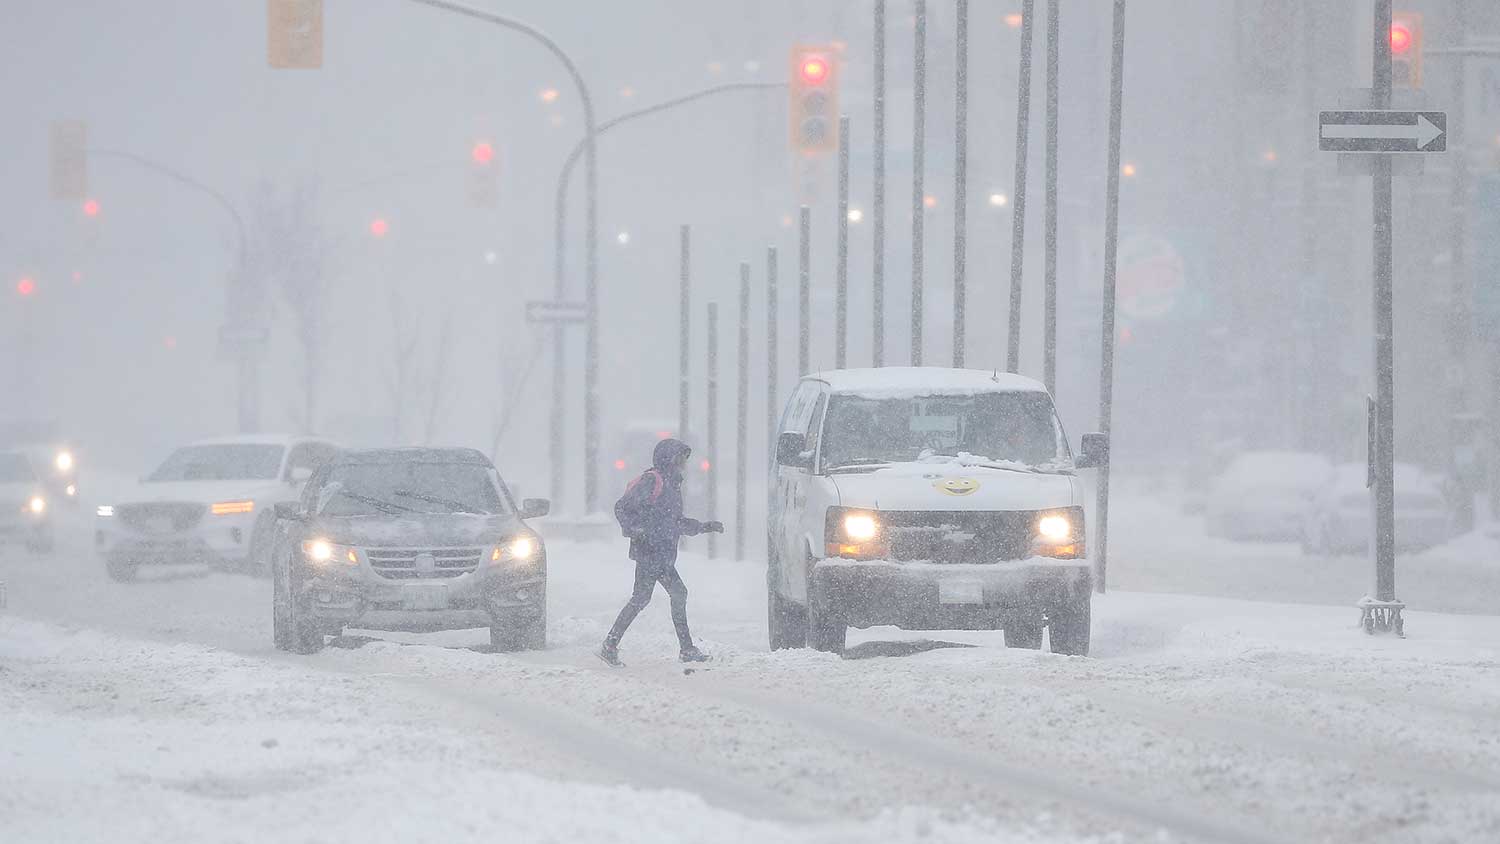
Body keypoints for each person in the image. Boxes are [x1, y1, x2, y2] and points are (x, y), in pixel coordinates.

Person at [600, 438, 723, 666]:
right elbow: (622, 507)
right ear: (669, 459)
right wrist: (637, 530)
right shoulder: (653, 480)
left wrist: (705, 527)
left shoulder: (672, 485)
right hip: (651, 552)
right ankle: (685, 649)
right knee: (674, 593)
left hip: (661, 553)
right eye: (681, 460)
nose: (684, 465)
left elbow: (674, 522)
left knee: (644, 598)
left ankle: (611, 644)